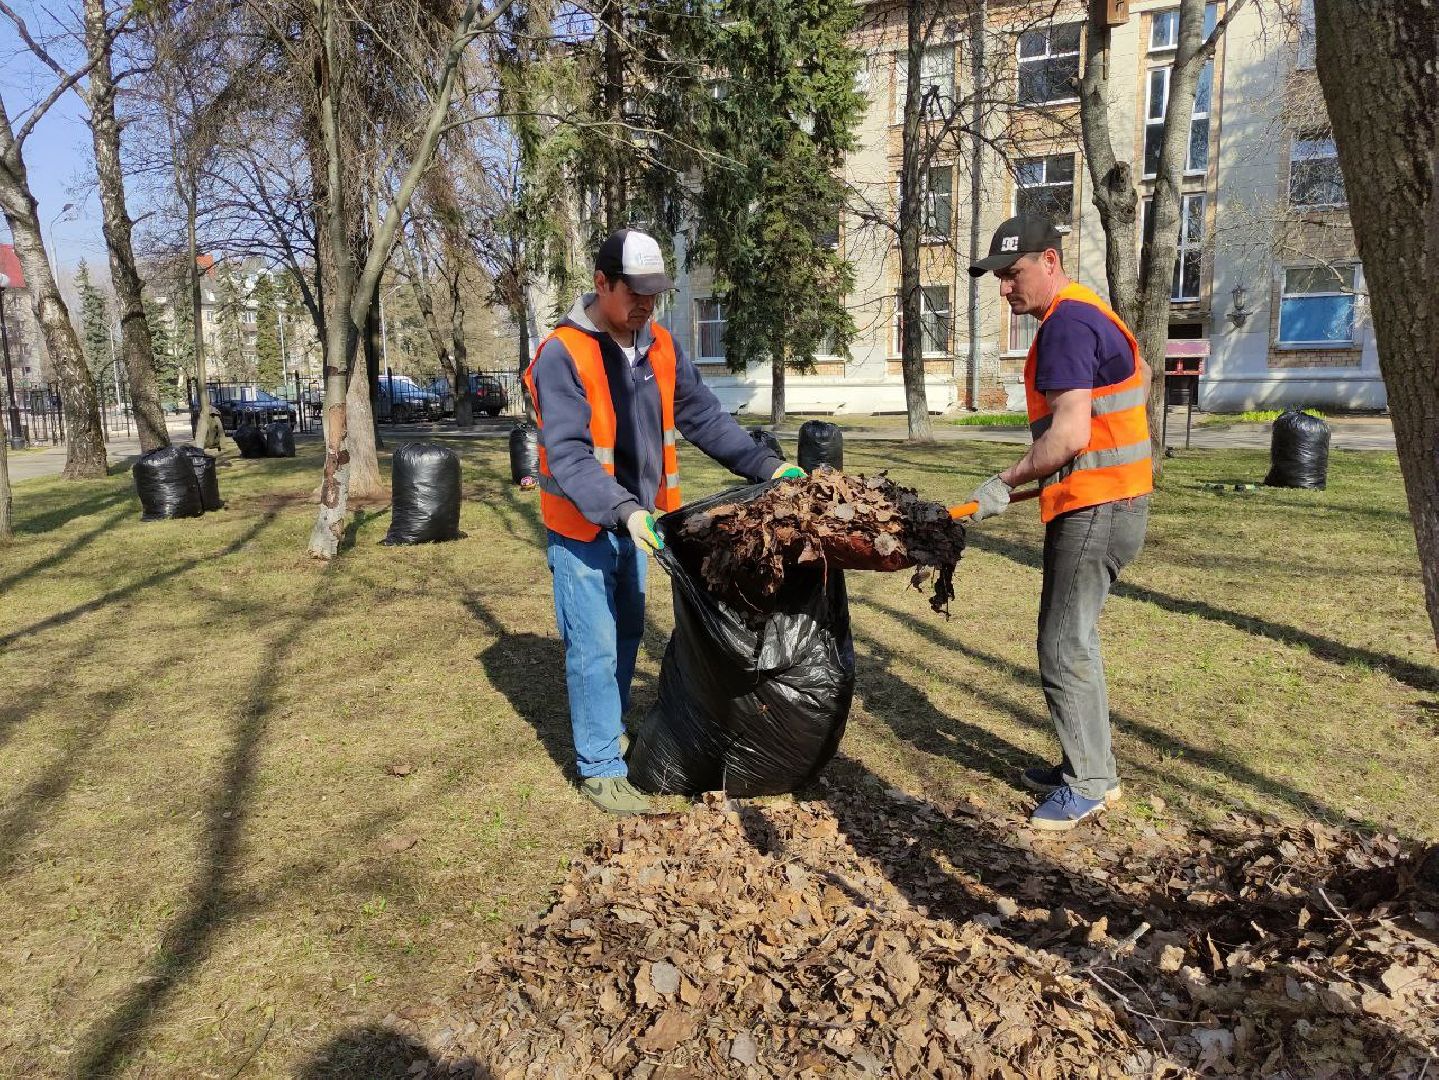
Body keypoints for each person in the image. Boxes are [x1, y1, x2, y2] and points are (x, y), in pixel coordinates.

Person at [524, 228, 803, 815]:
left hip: (641, 526)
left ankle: (611, 730)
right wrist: (625, 511)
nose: (647, 305)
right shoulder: (562, 354)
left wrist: (770, 469)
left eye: (655, 293)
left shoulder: (660, 347)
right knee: (594, 645)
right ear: (602, 283)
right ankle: (600, 765)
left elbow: (706, 420)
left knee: (626, 634)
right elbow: (570, 455)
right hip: (583, 526)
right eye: (635, 293)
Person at [965, 213, 1153, 831]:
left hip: (1096, 507)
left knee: (1062, 643)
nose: (1004, 289)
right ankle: (1088, 759)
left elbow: (1069, 433)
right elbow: (1137, 381)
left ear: (1049, 261)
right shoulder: (1088, 311)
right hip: (1112, 497)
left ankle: (1091, 781)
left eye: (1012, 274)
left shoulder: (1067, 324)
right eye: (998, 277)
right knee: (1077, 638)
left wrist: (1006, 481)